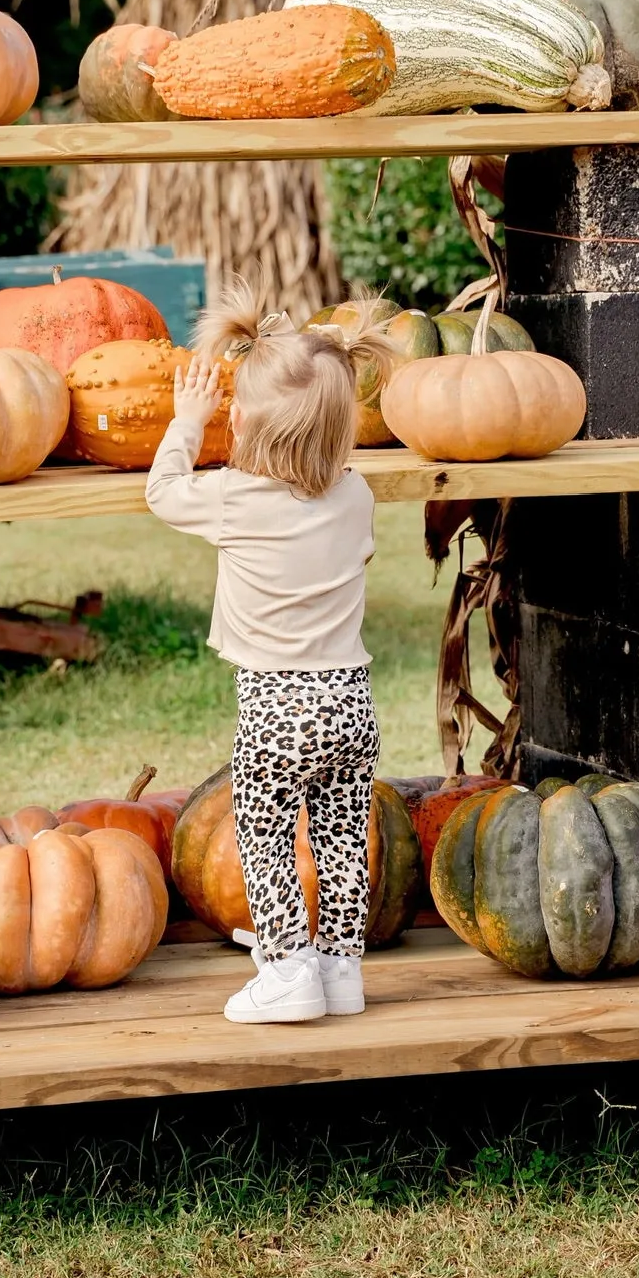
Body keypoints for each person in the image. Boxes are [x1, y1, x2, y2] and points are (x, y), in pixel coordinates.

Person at [145, 283, 396, 1025]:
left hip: (277, 705)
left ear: (243, 419)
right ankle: (339, 966)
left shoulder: (233, 497)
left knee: (263, 834)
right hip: (351, 701)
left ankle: (287, 968)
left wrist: (186, 423)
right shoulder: (355, 497)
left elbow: (163, 492)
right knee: (343, 834)